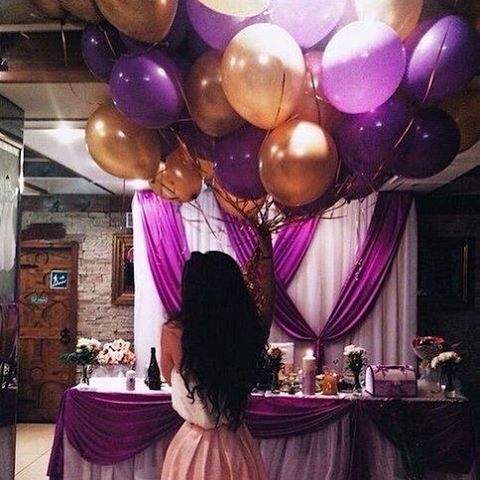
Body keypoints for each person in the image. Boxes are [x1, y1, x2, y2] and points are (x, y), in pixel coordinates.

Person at [160, 250, 272, 480]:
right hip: (237, 444)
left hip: (193, 448)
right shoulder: (245, 333)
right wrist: (266, 251)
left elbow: (168, 377)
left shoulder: (173, 333)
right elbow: (267, 305)